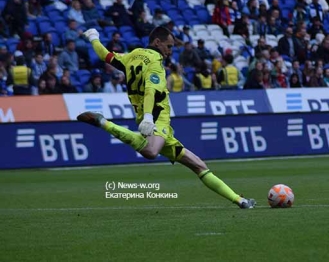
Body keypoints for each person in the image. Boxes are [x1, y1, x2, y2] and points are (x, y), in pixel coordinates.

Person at [80, 26, 256, 209]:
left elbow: (105, 56)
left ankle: (240, 200)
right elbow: (151, 90)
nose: (170, 51)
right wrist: (149, 118)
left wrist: (94, 37)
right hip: (156, 118)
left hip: (148, 119)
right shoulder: (156, 62)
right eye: (169, 46)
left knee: (198, 165)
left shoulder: (132, 56)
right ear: (157, 42)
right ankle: (104, 123)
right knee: (151, 151)